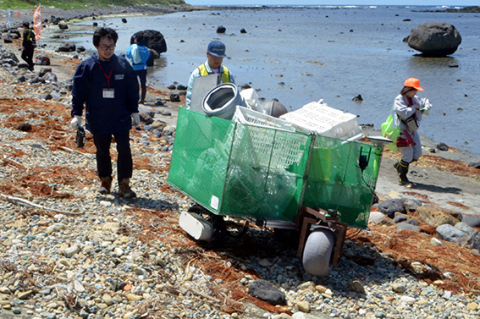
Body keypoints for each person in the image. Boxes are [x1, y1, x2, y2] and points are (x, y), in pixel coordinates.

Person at [70, 27, 140, 199]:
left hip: (121, 116)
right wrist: (76, 114)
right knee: (102, 150)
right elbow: (78, 92)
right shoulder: (87, 67)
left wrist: (135, 111)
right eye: (104, 46)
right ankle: (105, 180)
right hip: (98, 116)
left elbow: (132, 89)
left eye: (111, 46)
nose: (108, 50)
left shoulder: (123, 65)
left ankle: (124, 183)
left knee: (124, 149)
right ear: (96, 46)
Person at [392, 77, 431, 187]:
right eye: (415, 90)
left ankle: (400, 165)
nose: (416, 92)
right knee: (408, 156)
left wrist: (426, 107)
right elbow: (404, 113)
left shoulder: (415, 98)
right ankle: (403, 178)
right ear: (408, 89)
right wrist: (415, 107)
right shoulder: (399, 100)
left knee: (417, 153)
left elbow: (425, 102)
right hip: (402, 131)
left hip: (413, 129)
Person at [186, 40, 235, 109]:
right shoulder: (198, 73)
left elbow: (233, 97)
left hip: (221, 114)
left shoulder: (228, 73)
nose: (217, 60)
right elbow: (190, 98)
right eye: (214, 57)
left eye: (220, 57)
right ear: (207, 54)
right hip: (202, 113)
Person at [126, 35, 150, 104]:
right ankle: (142, 99)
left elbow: (128, 55)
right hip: (144, 67)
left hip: (135, 67)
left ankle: (134, 98)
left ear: (136, 40)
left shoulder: (133, 46)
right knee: (143, 84)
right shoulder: (145, 48)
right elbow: (147, 57)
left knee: (133, 84)